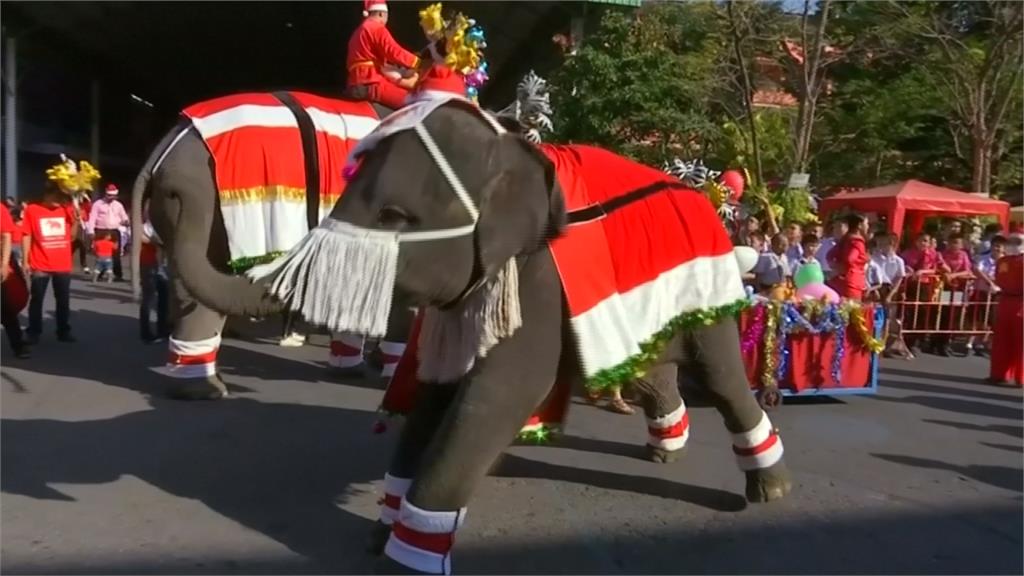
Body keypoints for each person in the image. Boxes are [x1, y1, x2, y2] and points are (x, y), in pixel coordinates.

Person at [22, 183, 79, 344]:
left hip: (62, 263)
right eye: (56, 195)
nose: (59, 199)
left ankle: (63, 331)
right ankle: (34, 331)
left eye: (62, 196)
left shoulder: (66, 209)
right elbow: (26, 235)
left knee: (63, 299)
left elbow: (71, 237)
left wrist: (75, 222)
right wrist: (25, 260)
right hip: (40, 263)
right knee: (37, 299)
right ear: (46, 195)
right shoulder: (32, 210)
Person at [345, 0, 421, 109]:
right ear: (381, 14)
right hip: (371, 82)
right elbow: (394, 51)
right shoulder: (376, 28)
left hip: (353, 84)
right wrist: (417, 62)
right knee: (413, 102)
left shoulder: (357, 33)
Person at [987, 232, 1023, 387]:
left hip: (1021, 301)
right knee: (1002, 339)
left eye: (1017, 242)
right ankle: (999, 374)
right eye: (1011, 241)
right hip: (1006, 300)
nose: (1013, 244)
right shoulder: (1003, 261)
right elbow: (999, 279)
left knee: (1021, 341)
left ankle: (1020, 377)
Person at [1, 201, 29, 358]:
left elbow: (6, 235)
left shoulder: (0, 209)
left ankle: (18, 345)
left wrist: (4, 264)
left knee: (5, 306)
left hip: (1, 259)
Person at [971, 234, 1005, 358]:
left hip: (999, 294)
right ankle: (978, 342)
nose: (997, 249)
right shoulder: (982, 258)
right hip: (983, 292)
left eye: (1000, 247)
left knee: (994, 320)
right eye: (995, 246)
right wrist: (989, 281)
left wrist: (997, 281)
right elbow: (977, 270)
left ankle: (990, 343)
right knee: (981, 318)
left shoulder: (1006, 262)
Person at [86, 184, 129, 281]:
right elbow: (92, 218)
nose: (111, 197)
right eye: (109, 195)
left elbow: (124, 216)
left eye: (113, 196)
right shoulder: (98, 204)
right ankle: (99, 274)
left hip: (114, 231)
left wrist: (126, 221)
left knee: (116, 253)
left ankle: (118, 275)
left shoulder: (118, 205)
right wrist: (91, 231)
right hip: (101, 230)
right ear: (105, 194)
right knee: (101, 253)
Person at [138, 211, 170, 343]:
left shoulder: (162, 224)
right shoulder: (143, 226)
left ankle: (162, 329)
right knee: (148, 297)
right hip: (148, 263)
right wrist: (155, 242)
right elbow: (142, 238)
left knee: (164, 297)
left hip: (162, 265)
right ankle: (145, 332)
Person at [826, 213, 869, 300]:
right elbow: (850, 259)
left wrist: (835, 266)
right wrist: (864, 260)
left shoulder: (845, 239)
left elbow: (829, 255)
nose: (868, 227)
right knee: (852, 310)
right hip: (852, 281)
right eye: (866, 224)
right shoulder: (857, 242)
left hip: (841, 280)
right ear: (860, 225)